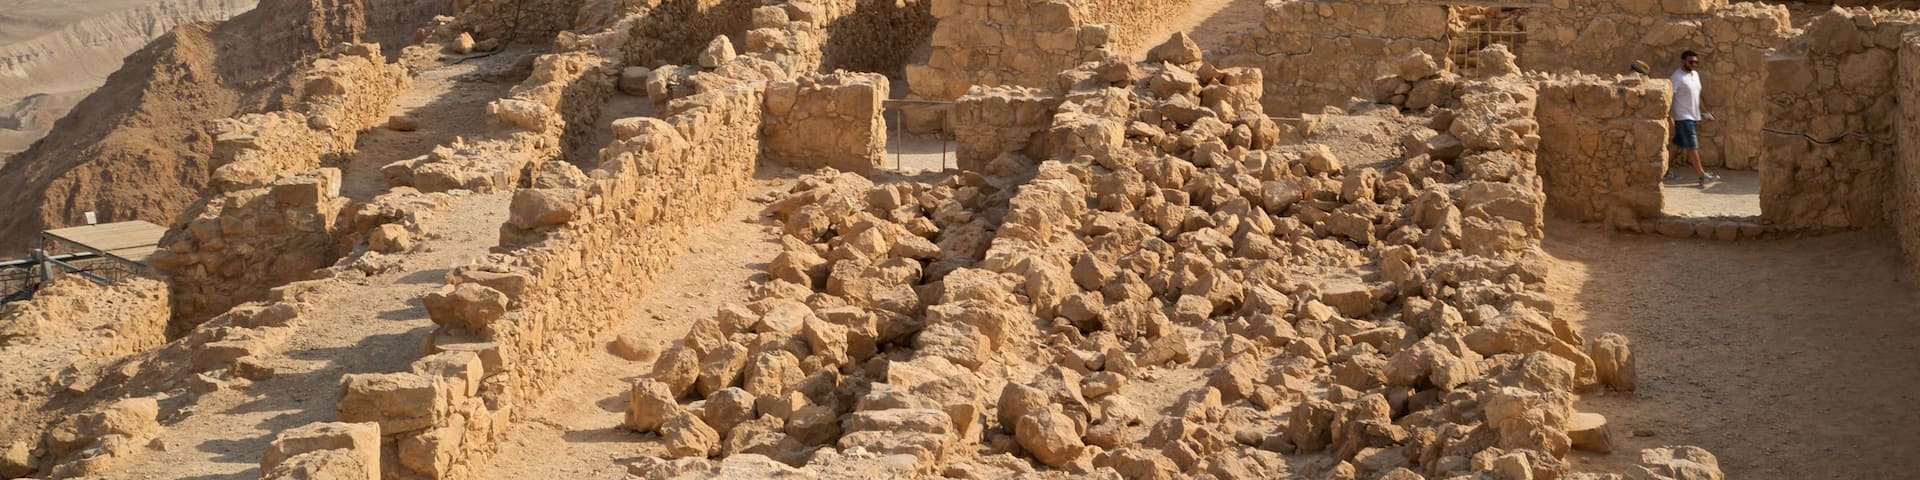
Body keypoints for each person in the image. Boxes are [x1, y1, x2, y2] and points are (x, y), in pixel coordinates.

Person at [1669, 50, 1719, 186]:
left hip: (1693, 116)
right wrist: (1670, 116)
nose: (1693, 64)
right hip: (1683, 117)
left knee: (1676, 145)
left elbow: (1697, 95)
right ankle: (1702, 175)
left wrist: (1705, 112)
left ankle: (1663, 170)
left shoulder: (1695, 75)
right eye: (1691, 61)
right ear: (1683, 61)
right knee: (1692, 146)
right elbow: (1669, 98)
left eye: (1696, 62)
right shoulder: (1676, 77)